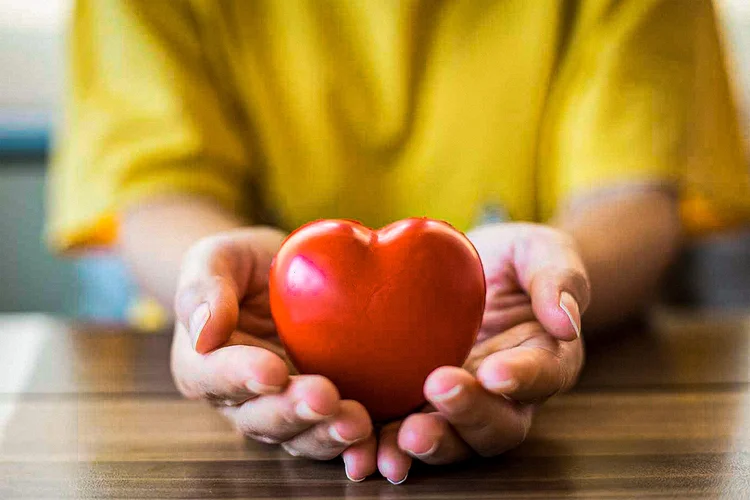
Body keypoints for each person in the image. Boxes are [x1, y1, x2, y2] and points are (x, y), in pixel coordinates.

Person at [48, 0, 749, 484]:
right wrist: (217, 296)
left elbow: (631, 193)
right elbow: (156, 189)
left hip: (589, 400)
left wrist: (551, 287)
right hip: (196, 418)